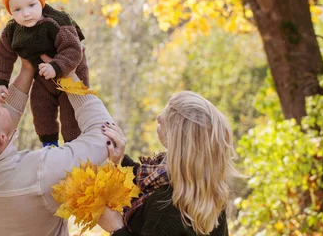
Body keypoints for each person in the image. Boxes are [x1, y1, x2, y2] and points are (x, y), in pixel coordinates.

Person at [0, 56, 115, 236]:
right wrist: (69, 77)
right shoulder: (39, 174)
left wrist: (27, 69)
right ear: (2, 138)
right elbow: (103, 134)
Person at [98, 91, 238, 236]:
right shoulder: (210, 193)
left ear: (176, 135)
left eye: (170, 110)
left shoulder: (164, 208)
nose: (159, 116)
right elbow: (146, 182)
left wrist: (117, 228)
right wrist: (119, 161)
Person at [0, 0, 89, 147]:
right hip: (42, 78)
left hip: (70, 72)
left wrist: (56, 66)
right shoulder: (12, 30)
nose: (26, 13)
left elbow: (73, 49)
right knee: (41, 108)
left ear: (41, 0)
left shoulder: (57, 21)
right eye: (17, 10)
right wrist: (0, 82)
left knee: (70, 114)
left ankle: (74, 146)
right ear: (10, 11)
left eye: (31, 5)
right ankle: (49, 145)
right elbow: (3, 54)